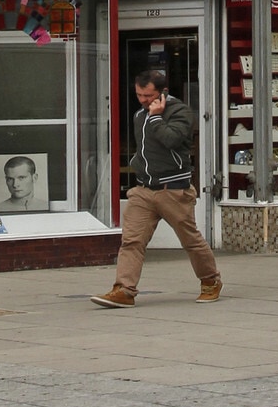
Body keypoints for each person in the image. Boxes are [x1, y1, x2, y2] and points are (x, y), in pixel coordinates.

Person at [91, 66, 222, 307]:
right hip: (144, 189)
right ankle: (124, 290)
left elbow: (172, 139)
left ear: (163, 92)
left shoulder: (180, 111)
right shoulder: (139, 115)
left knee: (190, 240)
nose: (142, 101)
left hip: (173, 189)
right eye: (139, 95)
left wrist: (156, 116)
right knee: (132, 241)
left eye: (148, 96)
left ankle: (210, 281)